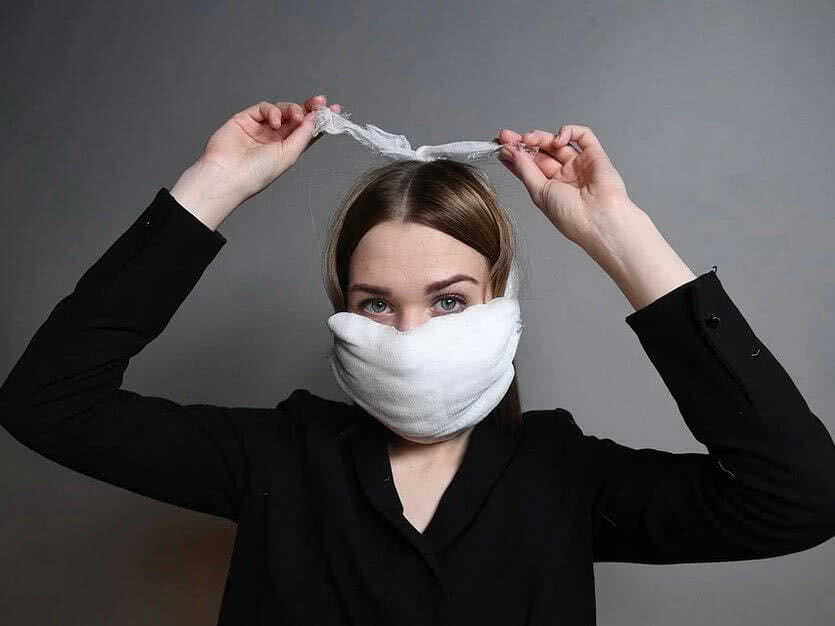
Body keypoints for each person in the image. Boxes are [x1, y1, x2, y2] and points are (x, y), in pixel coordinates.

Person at [1, 94, 834, 625]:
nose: (409, 336)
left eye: (447, 302)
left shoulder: (564, 477)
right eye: (375, 304)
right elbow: (48, 402)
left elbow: (796, 498)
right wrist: (215, 184)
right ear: (342, 307)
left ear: (498, 301)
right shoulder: (276, 457)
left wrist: (615, 233)